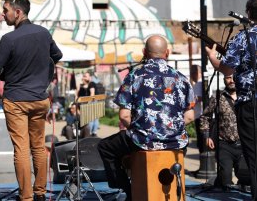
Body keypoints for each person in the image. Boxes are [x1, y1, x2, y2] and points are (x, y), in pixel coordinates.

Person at [0, 0, 63, 201]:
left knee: (21, 148)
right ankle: (40, 194)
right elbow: (57, 56)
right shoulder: (44, 33)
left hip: (16, 101)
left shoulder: (9, 39)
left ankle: (26, 197)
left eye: (5, 10)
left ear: (18, 12)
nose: (3, 14)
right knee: (38, 147)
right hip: (39, 99)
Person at [97, 35, 195, 200]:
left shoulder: (135, 75)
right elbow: (190, 116)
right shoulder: (181, 78)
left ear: (144, 52)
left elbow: (124, 115)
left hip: (143, 140)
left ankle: (129, 190)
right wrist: (170, 128)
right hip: (176, 141)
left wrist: (141, 129)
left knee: (105, 147)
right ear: (168, 52)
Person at [206, 0, 257, 200]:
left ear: (249, 13)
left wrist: (213, 59)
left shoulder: (244, 37)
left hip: (250, 104)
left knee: (253, 154)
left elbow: (227, 68)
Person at [200, 74, 244, 189]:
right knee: (226, 180)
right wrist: (207, 136)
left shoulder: (246, 96)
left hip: (244, 144)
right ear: (224, 79)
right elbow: (205, 117)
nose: (231, 80)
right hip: (224, 144)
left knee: (246, 179)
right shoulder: (218, 96)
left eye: (234, 77)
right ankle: (220, 183)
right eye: (228, 78)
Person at [76, 72, 99, 136]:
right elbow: (78, 95)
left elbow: (92, 94)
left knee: (92, 119)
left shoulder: (91, 84)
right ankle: (92, 132)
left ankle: (92, 132)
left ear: (89, 77)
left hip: (92, 102)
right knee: (92, 119)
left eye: (85, 76)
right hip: (86, 102)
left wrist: (88, 104)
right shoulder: (83, 85)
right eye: (84, 76)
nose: (84, 77)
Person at [190, 65, 205, 157]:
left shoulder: (199, 84)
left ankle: (204, 165)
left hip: (201, 116)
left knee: (201, 142)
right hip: (198, 116)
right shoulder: (197, 84)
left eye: (192, 73)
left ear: (197, 73)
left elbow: (199, 98)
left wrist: (190, 103)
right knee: (200, 142)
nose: (191, 75)